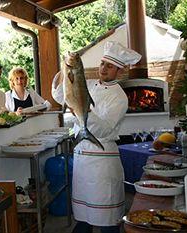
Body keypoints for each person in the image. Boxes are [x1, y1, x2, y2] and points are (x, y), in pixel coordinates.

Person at [52, 41, 141, 233]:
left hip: (103, 161)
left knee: (106, 220)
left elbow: (105, 130)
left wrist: (84, 111)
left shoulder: (120, 97)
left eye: (110, 66)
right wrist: (65, 72)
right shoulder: (89, 84)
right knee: (83, 217)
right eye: (102, 63)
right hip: (82, 159)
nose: (103, 68)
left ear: (120, 71)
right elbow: (59, 96)